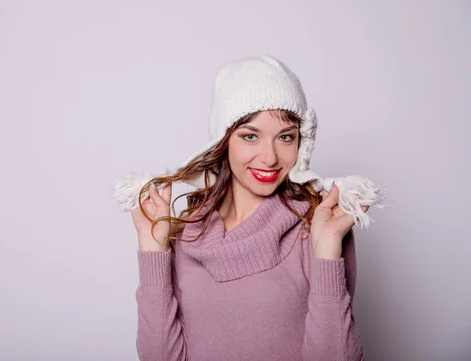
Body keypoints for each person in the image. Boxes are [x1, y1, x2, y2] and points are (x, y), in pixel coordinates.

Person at [111, 55, 386, 360]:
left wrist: (327, 247)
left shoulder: (318, 227)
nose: (269, 157)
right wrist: (152, 247)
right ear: (223, 141)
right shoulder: (185, 232)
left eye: (285, 137)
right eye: (250, 136)